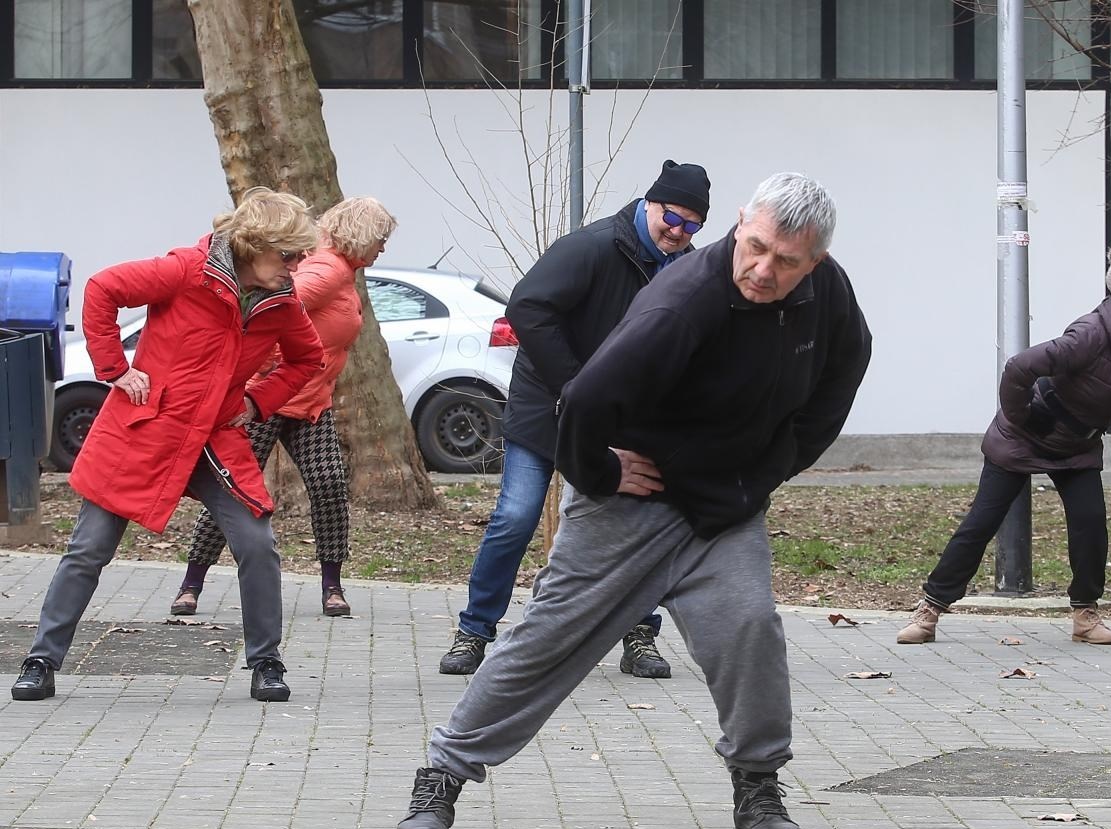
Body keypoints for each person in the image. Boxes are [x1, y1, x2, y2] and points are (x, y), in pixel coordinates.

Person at [396, 172, 871, 829]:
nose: (763, 270)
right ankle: (442, 777)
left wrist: (777, 465)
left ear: (814, 262)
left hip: (725, 509)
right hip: (631, 503)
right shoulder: (682, 301)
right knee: (548, 639)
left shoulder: (828, 295)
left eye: (786, 261)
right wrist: (601, 470)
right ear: (741, 224)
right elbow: (585, 399)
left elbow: (845, 368)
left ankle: (758, 786)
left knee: (750, 627)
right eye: (757, 246)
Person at [10, 187, 323, 704]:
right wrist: (115, 369)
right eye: (287, 255)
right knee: (90, 548)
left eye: (301, 256)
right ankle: (41, 659)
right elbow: (103, 289)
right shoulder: (186, 270)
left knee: (257, 544)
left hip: (214, 438)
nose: (296, 266)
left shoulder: (282, 304)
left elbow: (306, 361)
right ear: (253, 245)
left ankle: (266, 662)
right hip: (145, 429)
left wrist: (256, 403)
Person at [437, 159, 713, 680]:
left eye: (691, 226)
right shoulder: (591, 247)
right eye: (672, 219)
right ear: (650, 204)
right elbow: (527, 308)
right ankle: (474, 631)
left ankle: (638, 634)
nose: (678, 233)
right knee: (516, 516)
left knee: (635, 525)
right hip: (548, 405)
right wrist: (574, 385)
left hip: (624, 418)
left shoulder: (687, 269)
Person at [896, 244, 1111, 647]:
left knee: (1090, 524)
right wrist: (1023, 416)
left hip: (1076, 444)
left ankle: (1085, 614)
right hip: (1023, 436)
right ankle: (930, 608)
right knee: (981, 523)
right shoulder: (1090, 334)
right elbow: (1019, 367)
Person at [172, 196, 398, 620]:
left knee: (329, 484)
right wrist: (269, 359)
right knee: (233, 489)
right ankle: (191, 584)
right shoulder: (327, 270)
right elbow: (271, 304)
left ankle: (332, 586)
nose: (383, 248)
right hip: (264, 401)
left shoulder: (342, 271)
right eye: (381, 239)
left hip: (310, 403)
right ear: (362, 234)